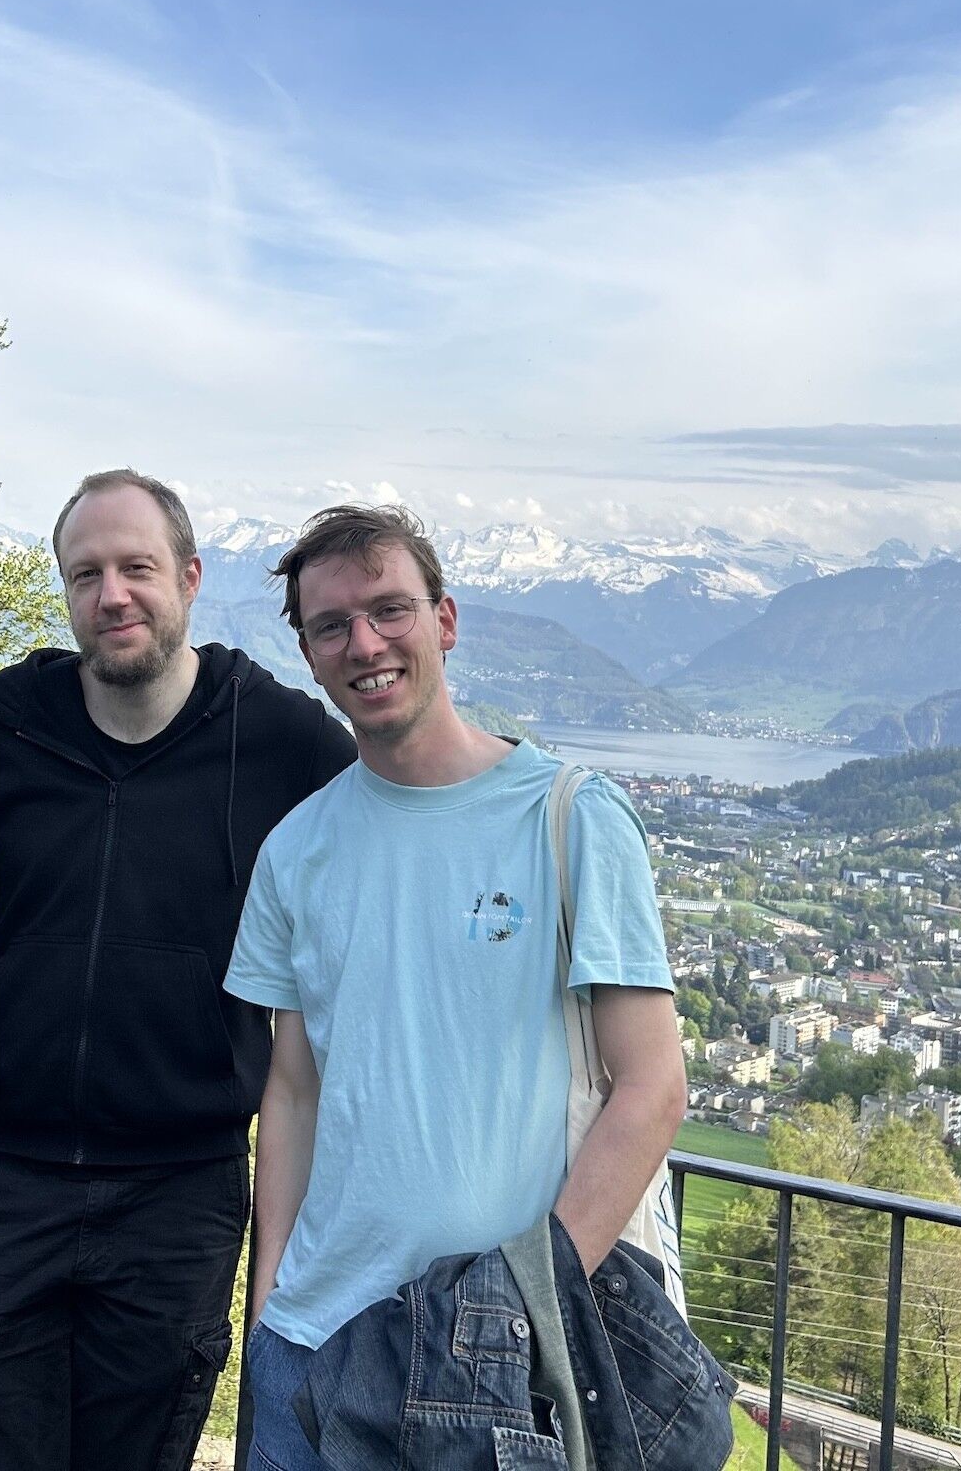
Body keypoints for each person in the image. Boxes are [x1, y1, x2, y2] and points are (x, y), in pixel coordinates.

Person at [0, 469, 355, 1471]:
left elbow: (392, 848)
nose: (113, 595)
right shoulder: (0, 726)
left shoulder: (278, 739)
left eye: (137, 568)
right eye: (85, 573)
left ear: (188, 579)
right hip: (10, 1175)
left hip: (180, 1196)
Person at [226, 503, 688, 1470]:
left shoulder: (572, 819)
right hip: (312, 1349)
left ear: (445, 620)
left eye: (390, 610)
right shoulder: (296, 850)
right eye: (331, 626)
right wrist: (269, 1302)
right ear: (308, 654)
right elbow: (295, 1089)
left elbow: (652, 1090)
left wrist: (519, 1306)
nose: (365, 643)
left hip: (507, 1369)